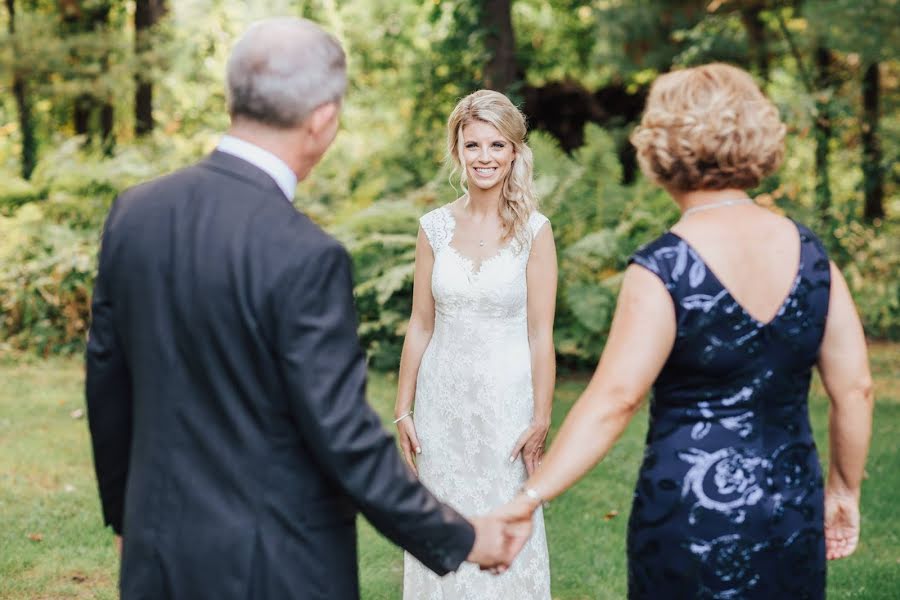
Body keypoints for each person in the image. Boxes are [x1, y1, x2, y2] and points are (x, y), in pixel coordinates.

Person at [85, 18, 529, 600]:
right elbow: (343, 437)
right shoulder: (306, 256)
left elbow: (107, 385)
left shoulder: (135, 213)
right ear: (322, 120)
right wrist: (463, 536)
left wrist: (125, 517)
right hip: (274, 565)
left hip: (158, 550)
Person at [499, 63, 874, 599]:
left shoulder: (665, 267)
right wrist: (843, 490)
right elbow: (856, 388)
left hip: (690, 514)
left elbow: (615, 401)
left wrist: (528, 498)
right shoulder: (813, 257)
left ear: (659, 145)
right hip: (790, 507)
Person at [394, 89, 557, 598]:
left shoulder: (536, 231)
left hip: (507, 405)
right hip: (442, 403)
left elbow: (540, 333)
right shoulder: (434, 228)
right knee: (443, 523)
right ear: (457, 150)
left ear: (514, 152)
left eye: (496, 145)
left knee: (505, 523)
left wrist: (542, 416)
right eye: (473, 145)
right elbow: (421, 323)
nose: (484, 157)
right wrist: (403, 409)